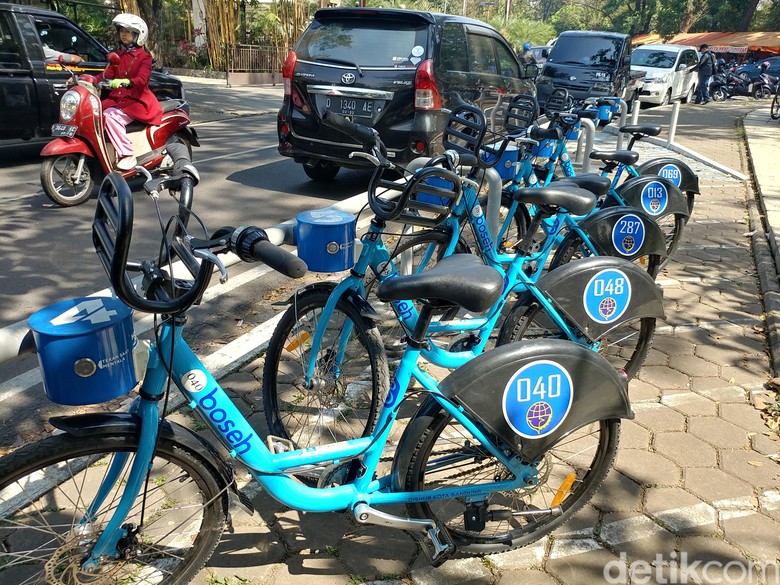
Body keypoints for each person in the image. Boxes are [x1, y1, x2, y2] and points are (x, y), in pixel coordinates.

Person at [94, 13, 162, 171]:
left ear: (138, 35)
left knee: (110, 116)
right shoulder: (118, 55)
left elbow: (142, 80)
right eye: (121, 31)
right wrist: (88, 80)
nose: (123, 34)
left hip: (136, 101)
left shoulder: (144, 57)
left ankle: (127, 154)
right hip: (118, 100)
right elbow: (106, 75)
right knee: (93, 112)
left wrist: (127, 82)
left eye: (127, 31)